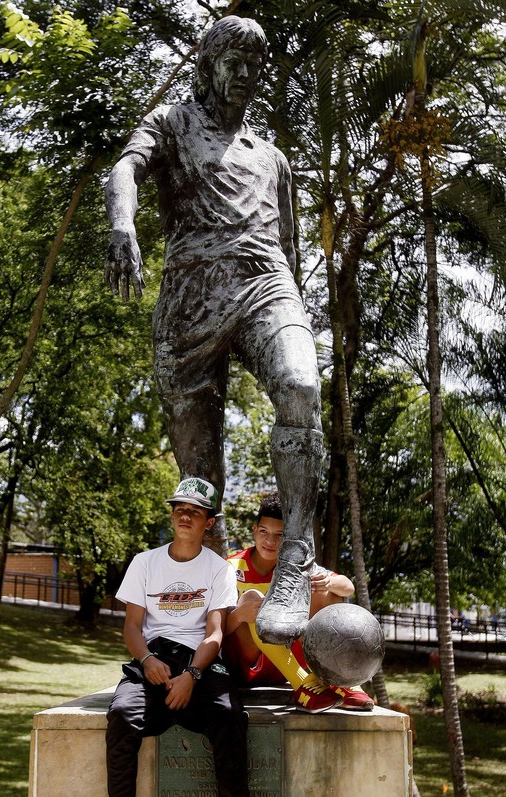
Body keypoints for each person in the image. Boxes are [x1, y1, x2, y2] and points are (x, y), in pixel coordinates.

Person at [104, 15, 323, 647]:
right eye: (235, 62)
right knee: (201, 480)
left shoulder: (272, 159)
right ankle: (219, 615)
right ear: (207, 64)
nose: (247, 76)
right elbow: (125, 169)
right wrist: (123, 224)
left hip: (264, 282)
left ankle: (295, 559)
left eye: (257, 66)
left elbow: (290, 248)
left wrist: (295, 314)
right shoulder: (173, 126)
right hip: (190, 303)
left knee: (299, 386)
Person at [105, 477, 249, 797]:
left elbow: (214, 632)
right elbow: (132, 626)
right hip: (153, 657)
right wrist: (146, 660)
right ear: (172, 516)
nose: (184, 516)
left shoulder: (219, 569)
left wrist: (192, 675)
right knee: (121, 715)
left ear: (208, 522)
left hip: (199, 660)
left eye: (194, 512)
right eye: (179, 509)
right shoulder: (144, 562)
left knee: (229, 715)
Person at [224, 492, 374, 712]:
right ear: (255, 531)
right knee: (255, 600)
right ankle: (302, 685)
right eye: (264, 532)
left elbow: (347, 587)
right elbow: (214, 628)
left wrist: (328, 582)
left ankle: (340, 680)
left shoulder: (295, 565)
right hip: (247, 664)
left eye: (279, 535)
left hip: (287, 655)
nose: (270, 541)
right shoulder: (230, 567)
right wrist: (239, 614)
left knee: (326, 592)